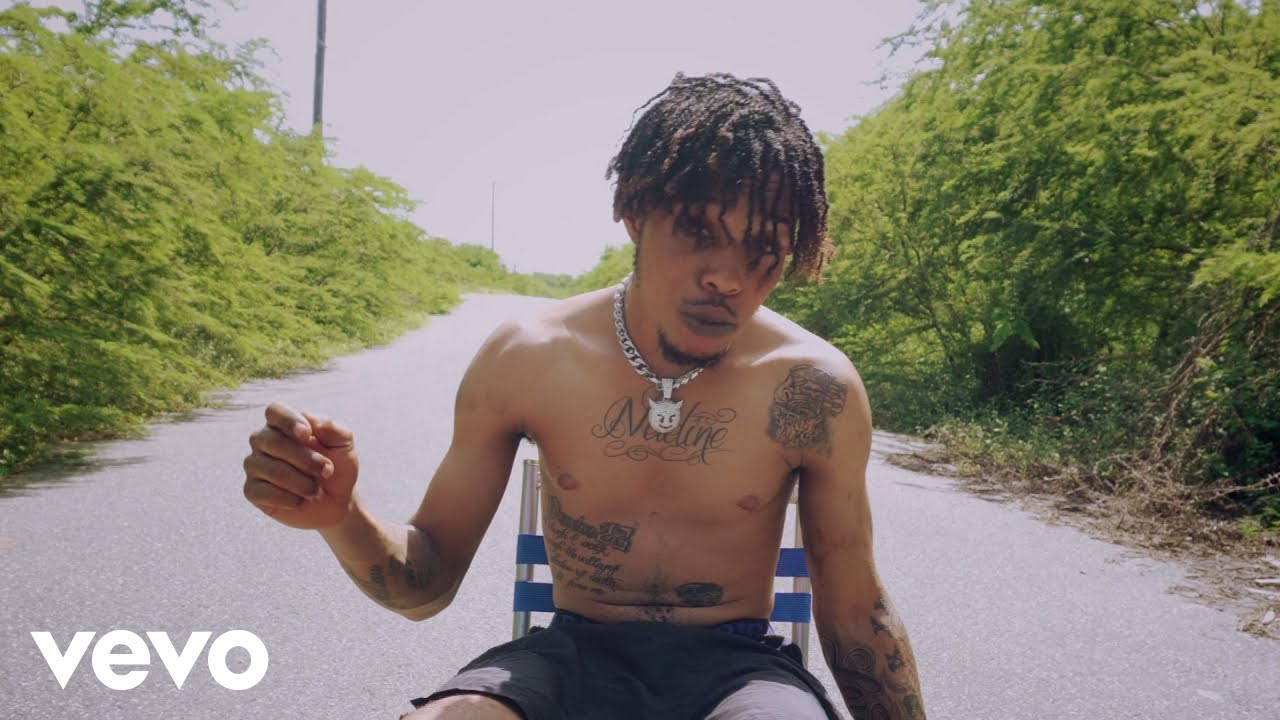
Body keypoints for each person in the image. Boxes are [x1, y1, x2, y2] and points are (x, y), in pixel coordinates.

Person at [242, 72, 926, 720]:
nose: (729, 276)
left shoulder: (813, 388)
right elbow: (426, 584)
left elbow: (855, 614)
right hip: (566, 659)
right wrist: (342, 516)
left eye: (763, 249)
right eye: (699, 231)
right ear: (634, 212)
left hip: (741, 671)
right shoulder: (530, 357)